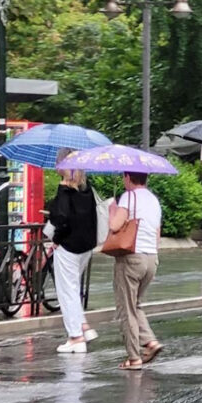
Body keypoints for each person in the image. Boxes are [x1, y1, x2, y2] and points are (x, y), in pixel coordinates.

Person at [109, 171, 164, 370]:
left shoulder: (128, 197)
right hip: (151, 258)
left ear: (127, 177)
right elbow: (157, 233)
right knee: (136, 304)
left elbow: (115, 226)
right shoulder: (153, 200)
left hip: (131, 258)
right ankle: (150, 342)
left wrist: (113, 212)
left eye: (124, 177)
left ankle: (134, 358)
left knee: (126, 309)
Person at [49, 149, 99, 354]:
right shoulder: (87, 190)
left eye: (58, 163)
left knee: (66, 291)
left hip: (68, 246)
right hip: (85, 246)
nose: (55, 166)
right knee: (73, 287)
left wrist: (56, 240)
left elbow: (60, 219)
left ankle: (75, 337)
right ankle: (83, 326)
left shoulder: (65, 190)